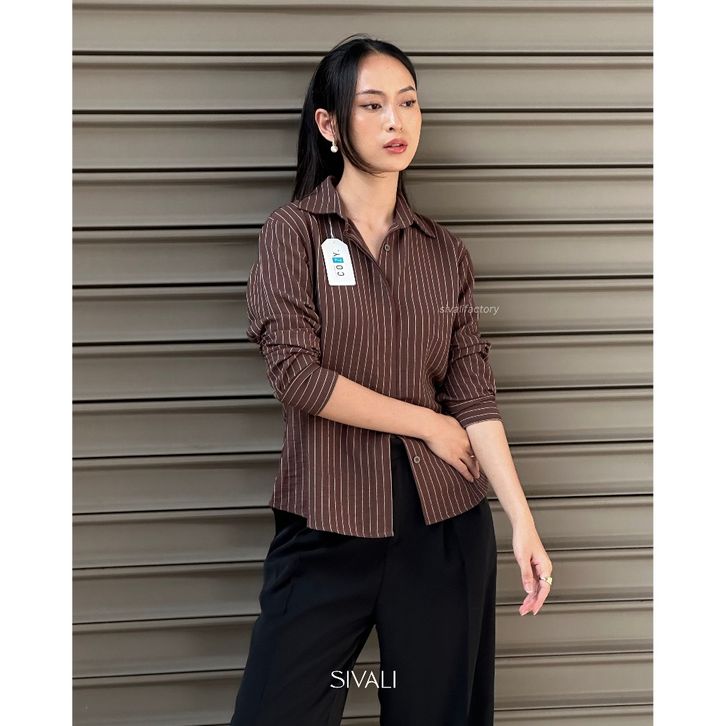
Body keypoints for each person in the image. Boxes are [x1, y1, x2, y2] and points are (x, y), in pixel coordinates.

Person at [229, 33, 553, 726]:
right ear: (329, 124)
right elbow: (297, 377)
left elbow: (474, 393)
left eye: (407, 103)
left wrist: (523, 523)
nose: (394, 121)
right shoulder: (294, 234)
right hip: (327, 520)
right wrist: (427, 423)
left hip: (441, 528)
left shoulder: (445, 254)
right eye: (372, 105)